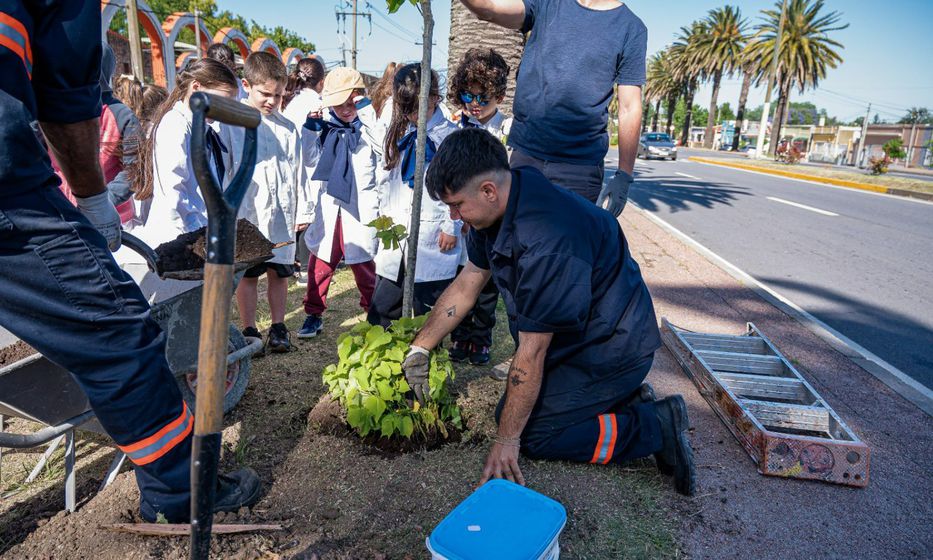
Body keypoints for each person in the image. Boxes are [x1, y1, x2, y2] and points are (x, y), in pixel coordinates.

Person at [0, 0, 259, 523]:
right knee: (118, 331)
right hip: (9, 194)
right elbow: (65, 96)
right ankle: (179, 493)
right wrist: (93, 200)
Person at [405, 128, 697, 495]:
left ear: (489, 190)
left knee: (535, 434)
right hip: (579, 339)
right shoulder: (500, 202)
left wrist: (507, 441)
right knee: (511, 414)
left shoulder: (547, 241)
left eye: (457, 204)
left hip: (613, 349)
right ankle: (622, 402)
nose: (454, 215)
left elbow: (533, 350)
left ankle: (654, 425)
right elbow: (468, 284)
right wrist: (420, 347)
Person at [459, 0, 647, 216]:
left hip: (579, 170)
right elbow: (489, 9)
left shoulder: (631, 28)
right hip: (526, 158)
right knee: (517, 236)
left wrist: (624, 175)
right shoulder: (548, 3)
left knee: (570, 239)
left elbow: (630, 107)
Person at [221, 51, 315, 353]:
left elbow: (298, 172)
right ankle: (250, 328)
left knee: (280, 271)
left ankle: (278, 326)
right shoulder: (231, 124)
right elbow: (224, 170)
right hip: (247, 213)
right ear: (246, 85)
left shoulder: (287, 128)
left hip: (280, 213)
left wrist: (303, 209)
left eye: (278, 95)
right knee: (249, 273)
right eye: (265, 94)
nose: (272, 101)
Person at [366, 63, 462, 326]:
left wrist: (451, 226)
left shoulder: (450, 137)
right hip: (397, 232)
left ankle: (426, 350)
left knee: (428, 311)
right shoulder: (396, 134)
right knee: (383, 308)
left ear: (434, 97)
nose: (412, 114)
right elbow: (384, 183)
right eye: (406, 108)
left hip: (434, 235)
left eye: (418, 107)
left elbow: (457, 188)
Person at [297, 68, 379, 339]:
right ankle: (313, 313)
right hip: (331, 208)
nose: (345, 110)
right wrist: (311, 129)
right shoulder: (325, 130)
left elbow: (383, 148)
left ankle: (374, 314)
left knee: (365, 267)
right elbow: (309, 160)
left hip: (360, 211)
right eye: (339, 104)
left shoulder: (369, 130)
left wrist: (366, 113)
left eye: (351, 103)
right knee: (320, 265)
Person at [444, 47, 513, 366]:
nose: (474, 103)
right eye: (467, 96)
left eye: (482, 97)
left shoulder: (508, 129)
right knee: (461, 278)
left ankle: (481, 340)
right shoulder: (454, 127)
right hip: (463, 222)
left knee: (487, 289)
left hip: (494, 221)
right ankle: (460, 336)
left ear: (499, 95)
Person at [131, 58, 240, 244]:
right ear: (196, 87)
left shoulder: (201, 128)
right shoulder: (175, 125)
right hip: (182, 238)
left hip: (201, 232)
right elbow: (174, 193)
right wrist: (195, 236)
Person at [50, 44, 140, 227]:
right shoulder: (53, 112)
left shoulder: (121, 115)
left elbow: (134, 170)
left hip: (113, 219)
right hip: (62, 217)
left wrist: (101, 204)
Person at [281, 56, 327, 286]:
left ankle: (294, 262)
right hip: (310, 162)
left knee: (297, 212)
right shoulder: (317, 103)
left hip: (290, 162)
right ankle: (306, 267)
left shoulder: (290, 100)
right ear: (321, 81)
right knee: (309, 214)